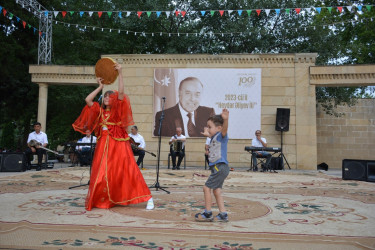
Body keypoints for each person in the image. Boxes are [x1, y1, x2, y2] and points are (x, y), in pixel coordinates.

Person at [72, 62, 154, 211]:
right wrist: (100, 87)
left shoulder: (117, 111)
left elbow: (121, 93)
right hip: (103, 144)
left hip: (118, 144)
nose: (107, 98)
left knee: (127, 170)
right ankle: (107, 199)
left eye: (110, 96)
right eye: (105, 97)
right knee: (103, 172)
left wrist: (120, 73)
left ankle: (148, 198)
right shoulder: (99, 111)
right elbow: (88, 100)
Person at [196, 109, 230, 222]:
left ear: (219, 128)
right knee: (217, 190)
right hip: (220, 168)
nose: (207, 129)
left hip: (219, 167)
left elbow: (224, 130)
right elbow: (214, 143)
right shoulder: (214, 138)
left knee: (206, 188)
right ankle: (223, 214)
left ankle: (208, 213)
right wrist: (209, 135)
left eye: (209, 127)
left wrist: (226, 119)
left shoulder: (221, 135)